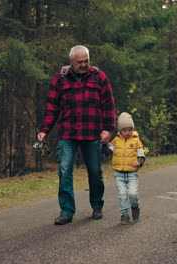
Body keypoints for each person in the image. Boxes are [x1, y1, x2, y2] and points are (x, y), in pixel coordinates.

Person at [37, 45, 116, 225]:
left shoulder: (99, 77)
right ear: (71, 62)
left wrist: (109, 129)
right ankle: (66, 211)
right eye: (80, 62)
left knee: (95, 172)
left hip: (93, 133)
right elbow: (51, 109)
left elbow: (108, 105)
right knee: (64, 171)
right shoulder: (60, 80)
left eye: (86, 61)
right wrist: (44, 130)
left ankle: (97, 205)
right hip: (67, 134)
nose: (84, 64)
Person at [108, 112, 146, 225]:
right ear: (120, 130)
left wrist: (139, 162)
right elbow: (107, 150)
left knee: (132, 194)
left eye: (130, 130)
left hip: (132, 173)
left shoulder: (136, 140)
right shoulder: (116, 140)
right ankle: (124, 214)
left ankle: (135, 207)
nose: (127, 132)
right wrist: (102, 145)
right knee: (122, 195)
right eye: (124, 130)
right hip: (118, 173)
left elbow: (142, 155)